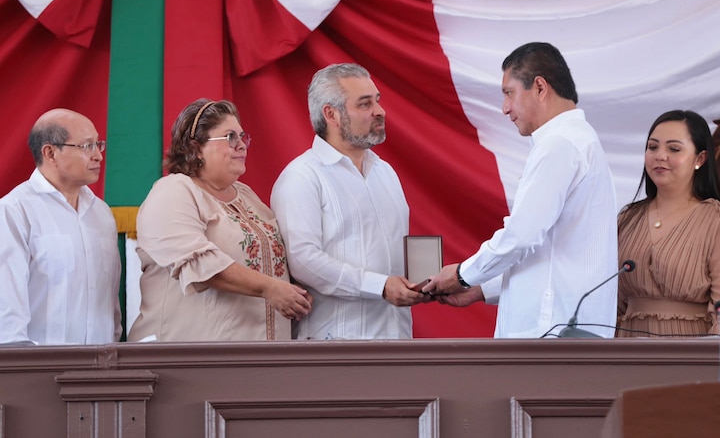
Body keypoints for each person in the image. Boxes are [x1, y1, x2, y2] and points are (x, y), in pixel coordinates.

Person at [423, 42, 618, 338]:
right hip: (563, 333)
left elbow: (522, 236)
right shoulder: (576, 140)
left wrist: (463, 274)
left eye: (508, 93)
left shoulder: (560, 144)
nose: (505, 108)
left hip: (552, 336)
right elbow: (548, 252)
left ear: (539, 87)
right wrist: (480, 289)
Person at [128, 99, 312, 342]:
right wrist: (271, 288)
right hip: (188, 358)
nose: (241, 146)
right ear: (196, 148)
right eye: (230, 138)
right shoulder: (173, 190)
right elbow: (201, 263)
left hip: (262, 359)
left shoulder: (247, 196)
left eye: (243, 137)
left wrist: (295, 289)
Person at [270, 63, 426, 340]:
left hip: (398, 338)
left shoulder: (385, 172)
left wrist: (428, 280)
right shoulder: (302, 176)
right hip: (337, 344)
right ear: (331, 114)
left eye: (377, 100)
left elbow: (396, 253)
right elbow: (304, 261)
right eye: (364, 104)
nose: (380, 111)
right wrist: (380, 286)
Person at [0, 109, 121, 345]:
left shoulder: (101, 213)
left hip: (103, 368)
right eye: (87, 146)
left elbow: (110, 303)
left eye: (99, 144)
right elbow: (7, 308)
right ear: (50, 153)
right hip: (40, 370)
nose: (98, 156)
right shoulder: (14, 211)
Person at [616, 110, 720, 338]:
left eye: (673, 149)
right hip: (628, 352)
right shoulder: (626, 218)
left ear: (699, 159)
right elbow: (611, 304)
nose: (660, 156)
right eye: (652, 147)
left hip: (692, 354)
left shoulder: (718, 223)